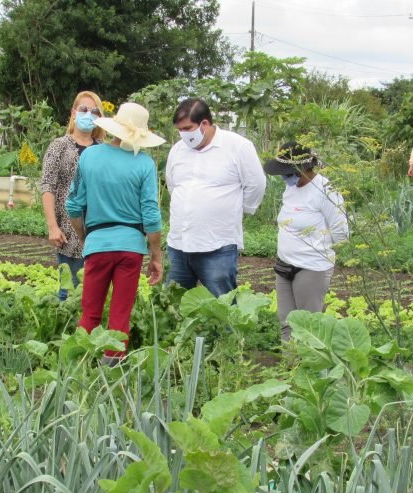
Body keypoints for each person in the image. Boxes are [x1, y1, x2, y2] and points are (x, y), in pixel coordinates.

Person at [65, 102, 165, 362]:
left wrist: (86, 237)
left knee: (90, 312)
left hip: (97, 244)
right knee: (120, 315)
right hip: (131, 248)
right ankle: (113, 371)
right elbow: (151, 216)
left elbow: (74, 206)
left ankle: (78, 366)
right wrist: (156, 255)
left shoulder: (90, 156)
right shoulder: (144, 164)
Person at [165, 98, 267, 297]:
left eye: (188, 128)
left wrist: (239, 208)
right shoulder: (177, 150)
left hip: (217, 245)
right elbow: (173, 185)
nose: (183, 134)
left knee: (222, 305)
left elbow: (256, 184)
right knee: (173, 304)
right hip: (179, 243)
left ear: (204, 123)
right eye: (180, 130)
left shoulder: (237, 146)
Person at [263, 142, 350, 342]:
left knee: (309, 328)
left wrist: (318, 247)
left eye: (288, 173)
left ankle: (312, 370)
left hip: (311, 268)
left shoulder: (326, 191)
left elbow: (340, 233)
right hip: (285, 264)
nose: (285, 178)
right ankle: (290, 367)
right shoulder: (291, 189)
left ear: (303, 169)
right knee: (286, 323)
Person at [39, 91, 106, 300]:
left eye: (94, 111)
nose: (88, 114)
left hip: (98, 232)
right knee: (69, 291)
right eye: (84, 109)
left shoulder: (104, 150)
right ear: (74, 113)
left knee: (96, 293)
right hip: (68, 232)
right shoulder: (59, 146)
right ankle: (66, 331)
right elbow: (47, 186)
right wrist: (52, 226)